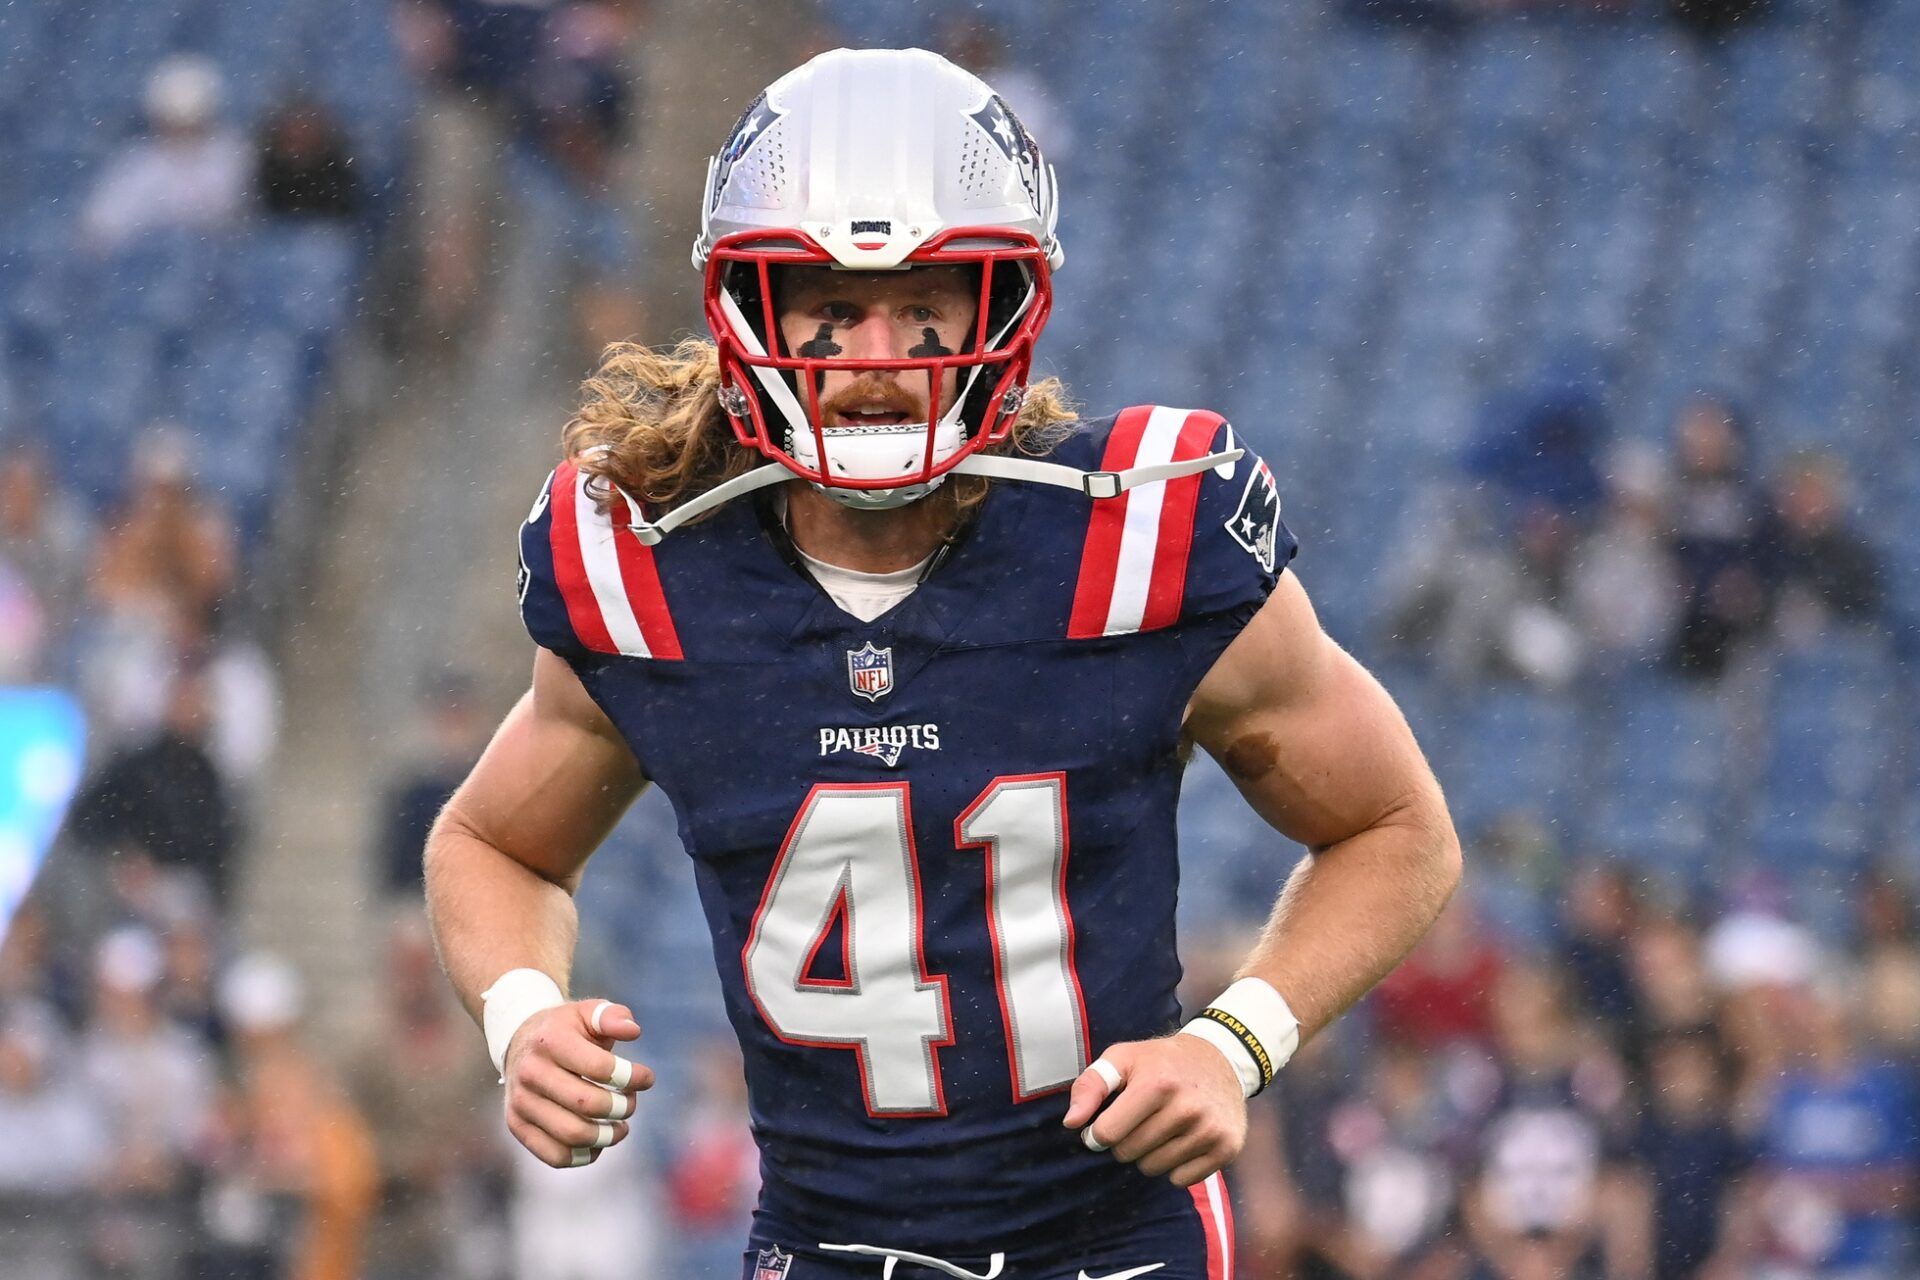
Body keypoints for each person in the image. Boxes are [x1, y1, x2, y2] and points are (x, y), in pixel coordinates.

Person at [425, 48, 1461, 1280]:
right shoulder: (653, 566)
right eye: (828, 301)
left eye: (926, 303)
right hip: (827, 1247)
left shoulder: (1139, 535)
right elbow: (491, 842)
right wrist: (523, 1016)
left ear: (1003, 307)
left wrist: (1233, 1043)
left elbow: (1399, 825)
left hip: (1117, 1242)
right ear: (746, 312)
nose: (877, 353)